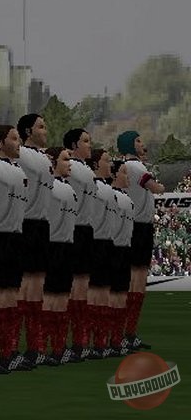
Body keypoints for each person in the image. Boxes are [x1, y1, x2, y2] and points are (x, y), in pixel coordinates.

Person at [0, 125, 30, 372]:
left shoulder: (20, 171)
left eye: (19, 138)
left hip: (15, 236)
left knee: (11, 294)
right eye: (14, 138)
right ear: (0, 143)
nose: (18, 142)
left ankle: (8, 352)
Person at [116, 131, 164, 350]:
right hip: (139, 227)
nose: (142, 144)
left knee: (130, 282)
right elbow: (156, 188)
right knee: (136, 282)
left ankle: (122, 333)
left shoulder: (128, 167)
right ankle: (127, 333)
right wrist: (158, 182)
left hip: (131, 225)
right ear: (129, 144)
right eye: (137, 140)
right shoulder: (136, 167)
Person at [15, 114, 54, 366]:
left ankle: (36, 347)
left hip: (42, 224)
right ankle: (15, 347)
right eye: (41, 126)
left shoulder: (45, 158)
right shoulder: (20, 154)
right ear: (28, 131)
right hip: (25, 223)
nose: (45, 130)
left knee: (38, 287)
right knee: (23, 286)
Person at [43, 147, 79, 364]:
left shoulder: (69, 188)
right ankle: (45, 347)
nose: (70, 163)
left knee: (62, 298)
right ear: (53, 162)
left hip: (67, 246)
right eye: (66, 159)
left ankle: (59, 347)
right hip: (52, 246)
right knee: (50, 298)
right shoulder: (48, 187)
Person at [62, 128, 96, 359]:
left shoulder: (85, 169)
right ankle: (71, 343)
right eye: (85, 141)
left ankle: (80, 341)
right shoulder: (71, 168)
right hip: (74, 229)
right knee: (73, 287)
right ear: (74, 145)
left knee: (82, 287)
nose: (89, 145)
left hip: (86, 230)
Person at [85, 149, 117, 358]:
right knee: (94, 294)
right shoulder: (93, 187)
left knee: (104, 294)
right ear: (96, 165)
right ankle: (91, 343)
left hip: (108, 243)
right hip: (95, 243)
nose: (110, 164)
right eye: (107, 161)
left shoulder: (107, 188)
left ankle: (101, 342)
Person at [108, 159, 134, 356]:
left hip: (125, 250)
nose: (128, 177)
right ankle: (108, 340)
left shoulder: (127, 199)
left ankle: (117, 338)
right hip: (114, 250)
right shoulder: (111, 197)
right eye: (124, 172)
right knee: (113, 296)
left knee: (122, 296)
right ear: (115, 174)